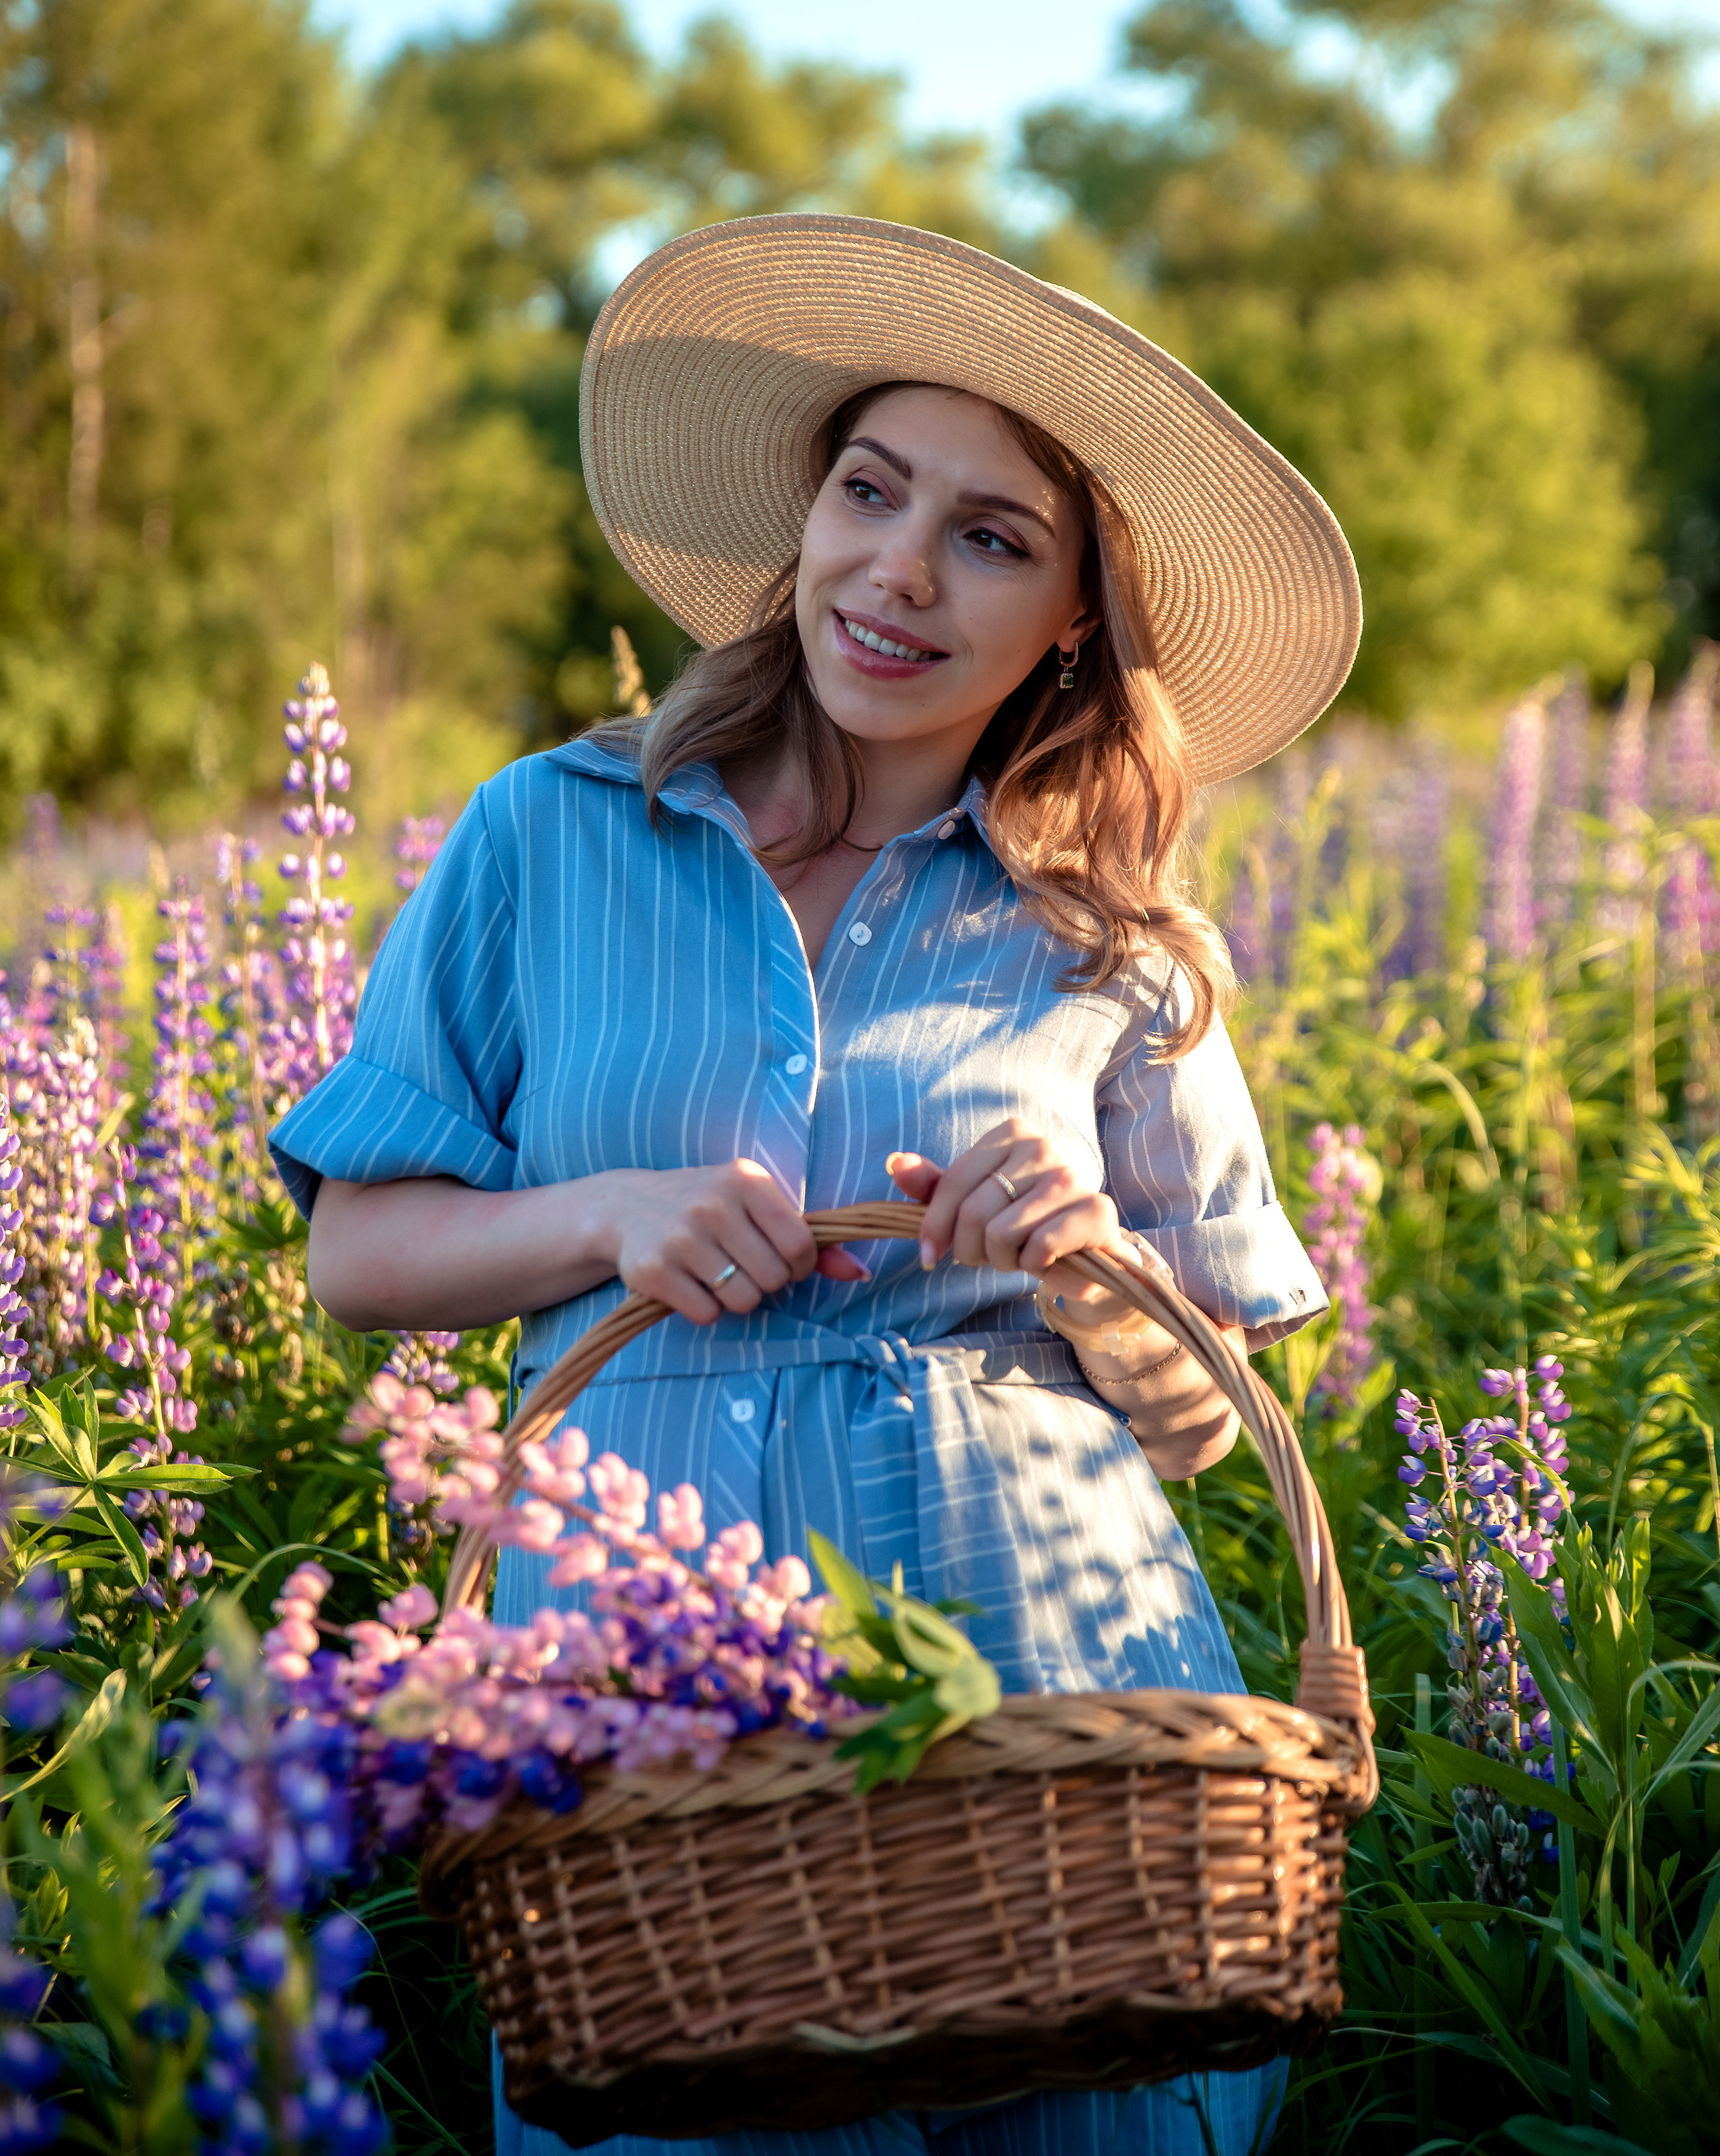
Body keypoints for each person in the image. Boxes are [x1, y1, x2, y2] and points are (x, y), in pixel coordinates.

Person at [271, 213, 1363, 2156]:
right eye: (872, 490)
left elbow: (1207, 1419)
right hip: (651, 1698)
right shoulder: (552, 834)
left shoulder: (1112, 934)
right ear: (808, 510)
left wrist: (1093, 1273)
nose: (901, 570)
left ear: (1077, 619)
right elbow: (357, 1251)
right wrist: (604, 1217)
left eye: (994, 538)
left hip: (1049, 1695)